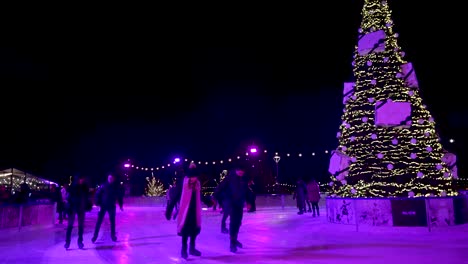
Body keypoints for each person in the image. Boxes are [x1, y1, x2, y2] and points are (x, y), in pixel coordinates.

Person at [166, 162, 202, 259]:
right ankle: (184, 250)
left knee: (194, 230)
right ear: (189, 176)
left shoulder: (197, 185)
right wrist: (169, 210)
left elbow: (199, 196)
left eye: (196, 177)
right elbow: (175, 197)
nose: (194, 179)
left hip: (194, 211)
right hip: (185, 212)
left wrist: (208, 201)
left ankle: (192, 248)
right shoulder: (183, 184)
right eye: (193, 177)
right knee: (185, 231)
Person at [214, 162, 248, 253]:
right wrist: (216, 198)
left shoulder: (243, 179)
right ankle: (232, 244)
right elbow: (219, 188)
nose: (241, 173)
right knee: (233, 223)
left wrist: (248, 201)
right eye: (240, 171)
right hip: (231, 203)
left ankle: (234, 239)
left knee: (238, 223)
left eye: (243, 171)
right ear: (236, 170)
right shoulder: (229, 178)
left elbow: (246, 191)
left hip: (239, 204)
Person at [91, 174, 124, 243]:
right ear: (107, 178)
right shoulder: (103, 186)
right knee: (99, 221)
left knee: (112, 222)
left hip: (111, 206)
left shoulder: (115, 187)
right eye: (109, 178)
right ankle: (95, 236)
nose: (110, 179)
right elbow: (97, 194)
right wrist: (97, 203)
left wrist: (121, 205)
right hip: (103, 206)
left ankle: (113, 236)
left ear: (113, 179)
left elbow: (119, 196)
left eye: (112, 178)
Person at [65, 175, 90, 249]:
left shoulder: (85, 188)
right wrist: (69, 206)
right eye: (80, 179)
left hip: (81, 208)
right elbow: (68, 197)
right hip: (73, 208)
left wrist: (87, 205)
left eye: (82, 179)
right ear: (77, 179)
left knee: (81, 226)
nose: (82, 181)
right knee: (70, 225)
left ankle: (80, 242)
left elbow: (86, 198)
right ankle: (67, 242)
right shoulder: (72, 187)